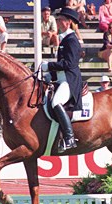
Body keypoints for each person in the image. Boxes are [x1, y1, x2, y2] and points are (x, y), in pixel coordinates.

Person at [41, 8, 82, 152]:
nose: (58, 22)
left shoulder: (72, 40)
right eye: (57, 19)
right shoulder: (65, 38)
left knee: (56, 102)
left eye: (60, 19)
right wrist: (50, 75)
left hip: (70, 81)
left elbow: (69, 64)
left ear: (68, 22)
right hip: (61, 79)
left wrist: (49, 65)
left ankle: (69, 138)